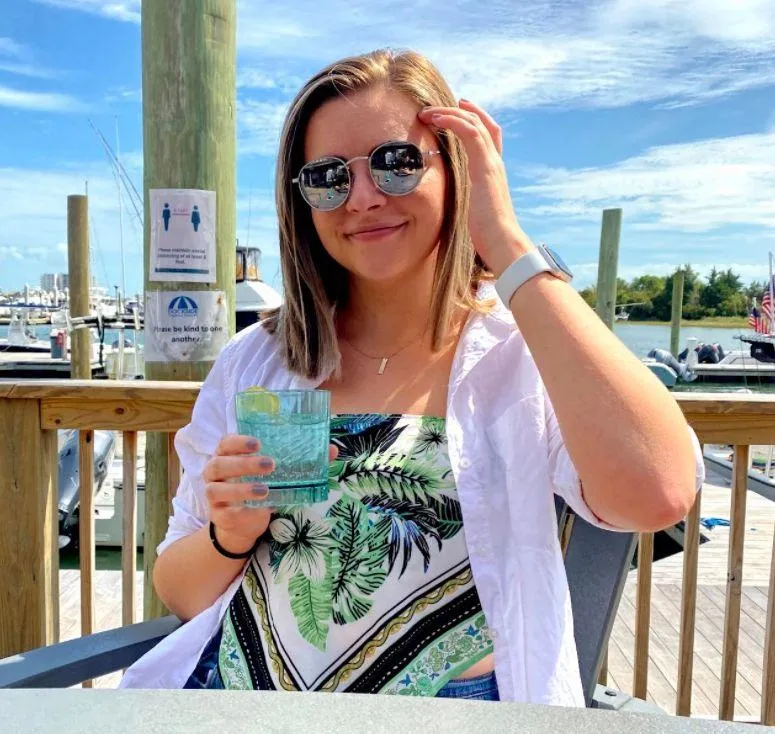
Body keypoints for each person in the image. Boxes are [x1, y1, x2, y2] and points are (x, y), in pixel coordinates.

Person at [121, 49, 704, 704]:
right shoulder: (260, 360)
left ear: (456, 170)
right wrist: (230, 536)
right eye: (327, 177)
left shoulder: (518, 356)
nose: (363, 197)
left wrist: (505, 241)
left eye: (396, 163)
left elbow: (656, 493)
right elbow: (178, 587)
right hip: (251, 704)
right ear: (302, 200)